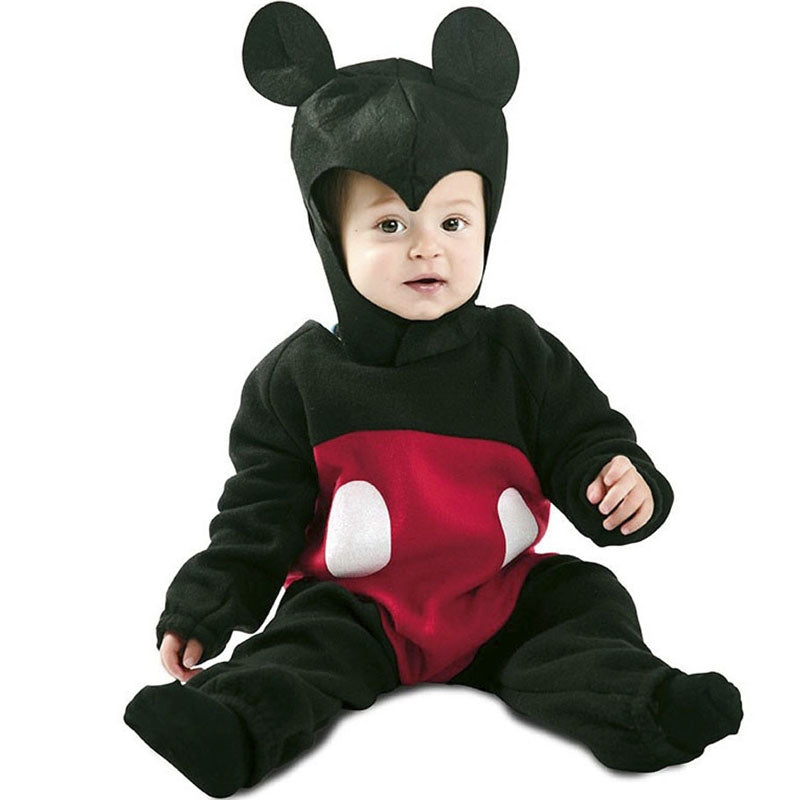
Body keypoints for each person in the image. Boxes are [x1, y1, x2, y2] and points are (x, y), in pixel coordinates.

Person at [124, 4, 742, 797]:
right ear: (331, 238)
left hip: (501, 597)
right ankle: (230, 724)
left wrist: (618, 478)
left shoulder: (518, 352)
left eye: (454, 220)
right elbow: (256, 517)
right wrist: (204, 606)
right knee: (300, 649)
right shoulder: (297, 379)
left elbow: (582, 436)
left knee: (586, 604)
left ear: (487, 223)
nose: (428, 246)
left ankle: (649, 709)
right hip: (360, 609)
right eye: (389, 223)